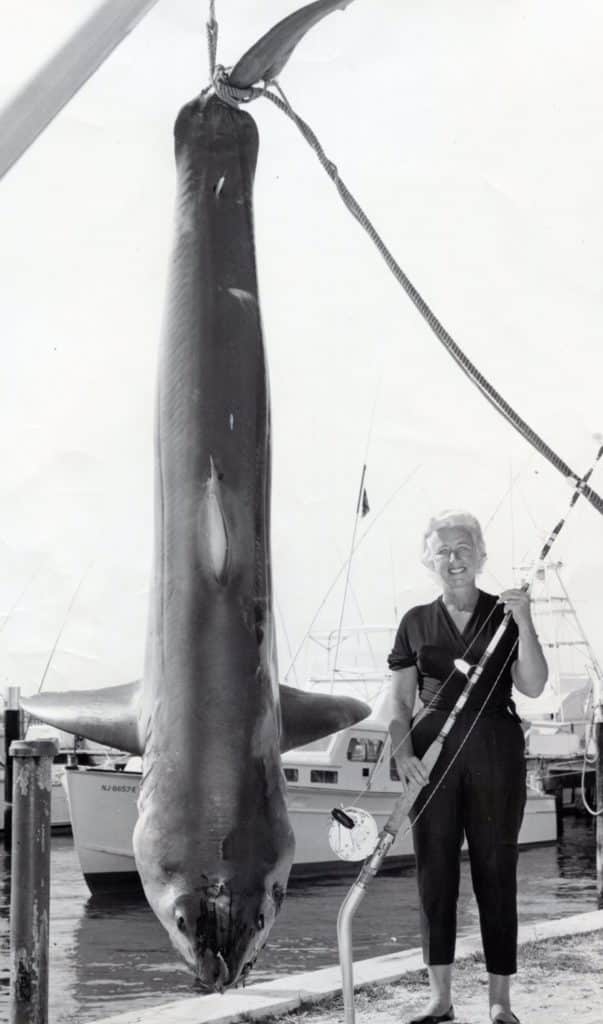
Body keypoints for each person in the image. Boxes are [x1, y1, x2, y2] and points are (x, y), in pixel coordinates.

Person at [388, 510, 547, 1024]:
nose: (453, 559)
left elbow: (533, 685)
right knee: (434, 875)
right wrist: (403, 752)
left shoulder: (505, 613)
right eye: (443, 550)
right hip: (430, 761)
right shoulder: (414, 621)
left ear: (481, 556)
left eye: (463, 549)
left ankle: (500, 1002)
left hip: (496, 753)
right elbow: (399, 705)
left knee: (496, 872)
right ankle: (441, 999)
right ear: (429, 559)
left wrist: (524, 620)